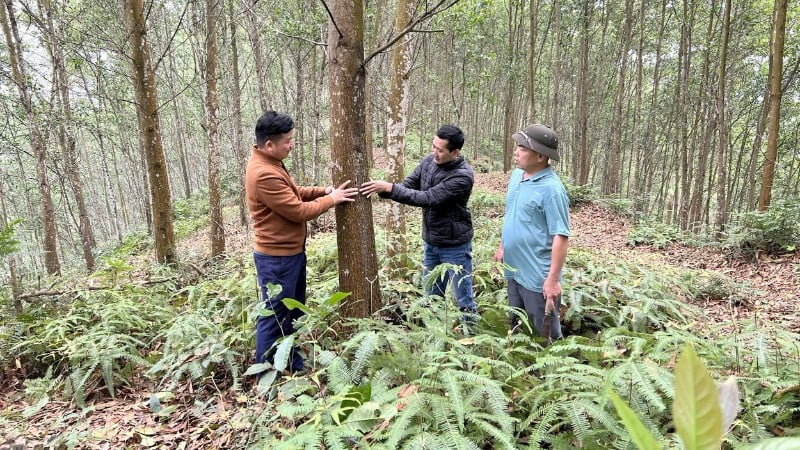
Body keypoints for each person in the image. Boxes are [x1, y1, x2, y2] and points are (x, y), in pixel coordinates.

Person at [246, 110, 358, 373]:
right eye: (287, 140)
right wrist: (332, 200)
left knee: (292, 313)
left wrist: (324, 191)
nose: (292, 144)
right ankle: (265, 372)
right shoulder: (264, 173)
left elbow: (293, 193)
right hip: (278, 257)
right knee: (275, 316)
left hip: (287, 253)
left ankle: (292, 364)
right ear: (270, 144)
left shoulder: (269, 162)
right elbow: (297, 210)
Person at [360, 124, 478, 328]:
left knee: (463, 297)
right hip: (431, 243)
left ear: (455, 152)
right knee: (431, 295)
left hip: (455, 246)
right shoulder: (429, 162)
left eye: (440, 150)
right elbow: (409, 185)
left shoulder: (462, 176)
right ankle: (433, 336)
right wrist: (384, 190)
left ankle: (472, 339)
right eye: (434, 146)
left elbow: (428, 198)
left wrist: (390, 188)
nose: (435, 153)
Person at [493, 124, 570, 341]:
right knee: (516, 320)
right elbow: (512, 214)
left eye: (523, 148)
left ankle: (553, 369)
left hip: (537, 275)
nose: (516, 152)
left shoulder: (552, 190)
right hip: (513, 267)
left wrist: (553, 280)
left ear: (540, 156)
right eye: (517, 146)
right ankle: (522, 363)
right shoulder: (517, 177)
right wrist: (502, 246)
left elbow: (561, 236)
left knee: (545, 332)